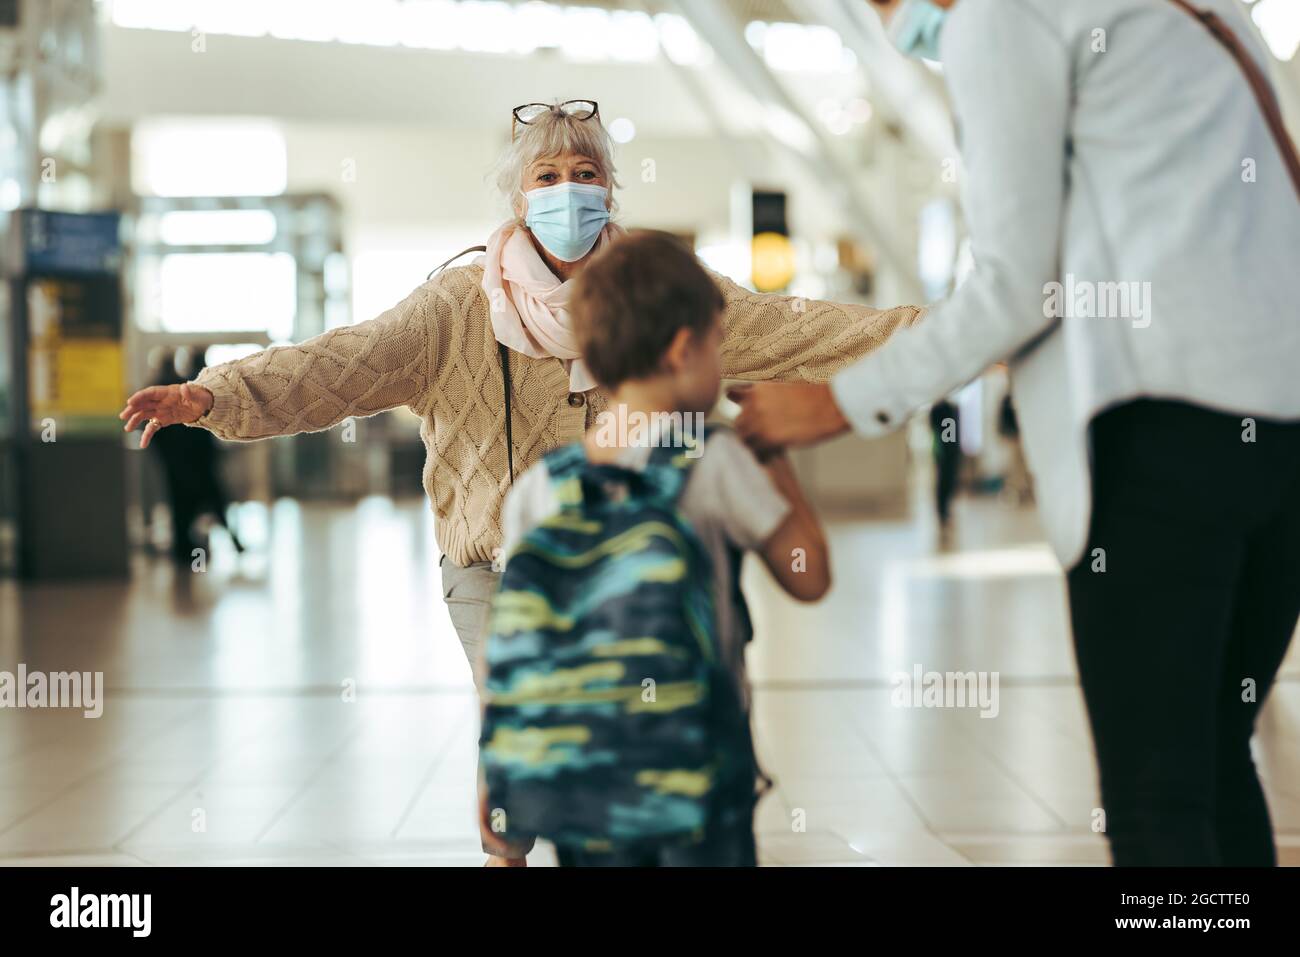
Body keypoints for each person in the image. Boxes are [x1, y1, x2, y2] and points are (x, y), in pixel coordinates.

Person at [117, 100, 922, 865]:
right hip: (495, 560)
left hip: (639, 564)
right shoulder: (455, 305)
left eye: (585, 171)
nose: (568, 188)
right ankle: (516, 845)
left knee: (599, 732)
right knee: (518, 715)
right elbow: (342, 364)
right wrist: (213, 394)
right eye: (546, 175)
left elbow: (797, 329)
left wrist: (941, 338)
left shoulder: (651, 292)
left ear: (610, 189)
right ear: (516, 194)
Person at [732, 0, 1300, 865]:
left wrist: (841, 401)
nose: (890, 19)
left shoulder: (1001, 17)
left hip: (1157, 429)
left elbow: (1013, 284)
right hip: (1284, 434)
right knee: (1217, 759)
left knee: (1158, 796)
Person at [487, 230, 830, 866]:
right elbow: (809, 576)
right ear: (682, 350)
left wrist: (498, 768)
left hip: (580, 778)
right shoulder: (716, 460)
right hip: (696, 773)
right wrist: (774, 453)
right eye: (718, 346)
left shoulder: (539, 488)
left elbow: (513, 636)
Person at [149, 347, 245, 563]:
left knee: (187, 506)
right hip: (194, 462)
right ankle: (193, 548)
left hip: (185, 463)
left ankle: (186, 549)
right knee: (210, 501)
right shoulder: (184, 389)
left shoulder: (186, 388)